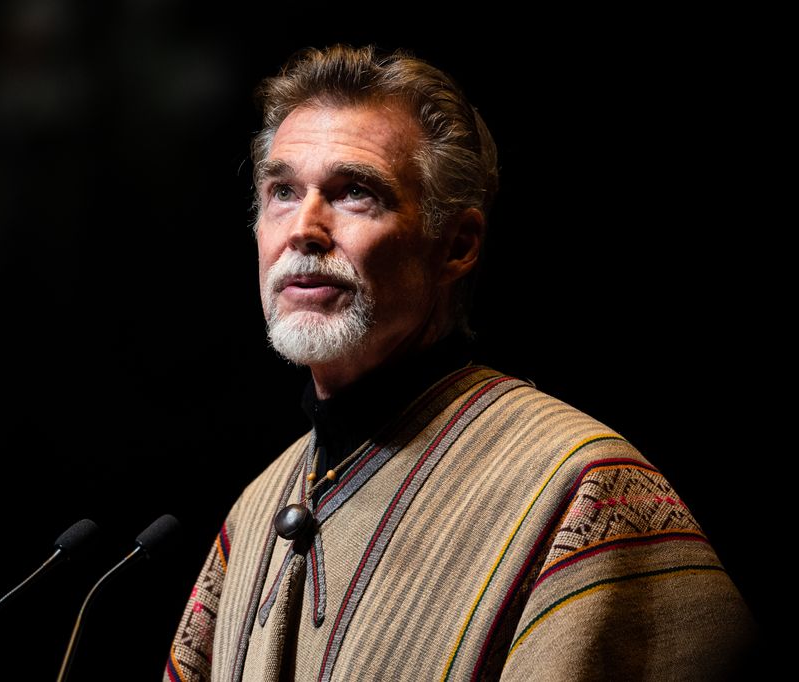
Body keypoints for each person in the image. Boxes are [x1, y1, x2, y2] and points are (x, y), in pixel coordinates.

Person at [163, 44, 756, 681]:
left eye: (355, 193)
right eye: (282, 191)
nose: (304, 227)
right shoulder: (253, 515)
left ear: (458, 244)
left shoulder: (584, 488)